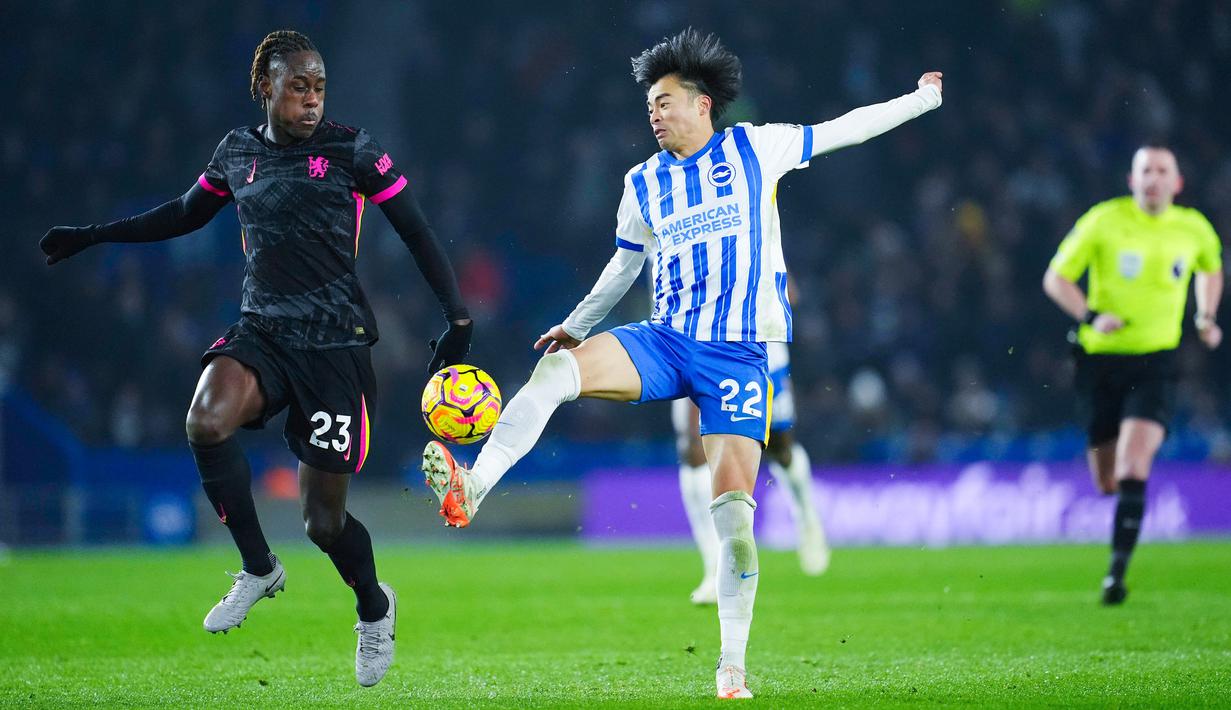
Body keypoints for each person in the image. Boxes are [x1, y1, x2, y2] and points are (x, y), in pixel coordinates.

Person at [419, 28, 940, 698]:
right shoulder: (642, 182)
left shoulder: (755, 147)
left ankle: (731, 666)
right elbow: (622, 266)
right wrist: (575, 327)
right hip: (665, 340)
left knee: (736, 520)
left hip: (737, 357)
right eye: (649, 105)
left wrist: (920, 102)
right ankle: (474, 488)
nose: (654, 113)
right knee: (553, 374)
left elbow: (847, 128)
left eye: (665, 101)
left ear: (702, 105)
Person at [38, 30, 473, 686]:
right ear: (264, 87)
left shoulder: (353, 150)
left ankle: (374, 608)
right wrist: (94, 236)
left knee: (322, 522)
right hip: (263, 332)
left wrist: (458, 315)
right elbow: (184, 214)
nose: (311, 99)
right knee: (204, 422)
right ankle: (259, 567)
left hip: (334, 345)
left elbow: (412, 227)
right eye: (298, 86)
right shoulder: (236, 152)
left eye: (319, 87)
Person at [1043, 145, 1222, 606]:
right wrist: (1090, 315)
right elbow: (1056, 278)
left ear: (1177, 183)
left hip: (1157, 361)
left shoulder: (1194, 228)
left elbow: (1210, 269)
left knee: (1132, 465)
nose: (1154, 178)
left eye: (1163, 170)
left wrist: (1205, 315)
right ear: (1132, 179)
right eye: (1146, 170)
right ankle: (1125, 508)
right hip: (1099, 361)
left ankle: (1115, 576)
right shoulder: (1104, 221)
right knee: (1108, 480)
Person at [675, 336, 829, 607]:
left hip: (755, 344)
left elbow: (789, 294)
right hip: (693, 341)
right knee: (692, 448)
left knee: (780, 448)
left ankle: (806, 516)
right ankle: (714, 569)